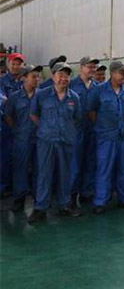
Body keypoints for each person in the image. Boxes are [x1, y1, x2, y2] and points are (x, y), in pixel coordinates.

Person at [28, 62, 82, 223]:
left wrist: (65, 130)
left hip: (66, 141)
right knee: (44, 174)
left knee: (65, 174)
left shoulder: (74, 97)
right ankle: (40, 208)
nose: (63, 78)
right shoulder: (42, 95)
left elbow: (77, 118)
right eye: (60, 75)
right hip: (47, 142)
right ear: (53, 76)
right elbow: (33, 115)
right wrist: (45, 129)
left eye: (67, 75)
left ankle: (64, 205)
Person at [87, 61, 124, 214]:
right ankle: (100, 201)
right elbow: (91, 111)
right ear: (112, 73)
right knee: (104, 168)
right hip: (106, 137)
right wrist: (103, 127)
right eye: (122, 73)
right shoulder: (99, 90)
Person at [4, 64, 42, 211]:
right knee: (20, 168)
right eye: (33, 77)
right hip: (22, 138)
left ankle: (39, 198)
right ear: (24, 78)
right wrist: (17, 130)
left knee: (40, 168)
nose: (37, 79)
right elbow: (8, 116)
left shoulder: (43, 95)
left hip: (39, 138)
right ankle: (19, 197)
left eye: (38, 77)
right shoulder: (15, 97)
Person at [69, 56, 99, 206]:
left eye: (94, 67)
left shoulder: (98, 87)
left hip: (93, 130)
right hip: (76, 130)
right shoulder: (72, 85)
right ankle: (71, 195)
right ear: (81, 67)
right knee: (74, 164)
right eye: (89, 67)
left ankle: (87, 192)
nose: (92, 70)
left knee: (91, 162)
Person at [0, 52, 25, 197]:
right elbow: (3, 102)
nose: (16, 66)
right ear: (8, 65)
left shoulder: (25, 81)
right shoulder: (2, 82)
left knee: (21, 158)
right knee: (4, 156)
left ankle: (19, 187)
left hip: (24, 125)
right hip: (6, 125)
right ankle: (3, 186)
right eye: (13, 64)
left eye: (19, 64)